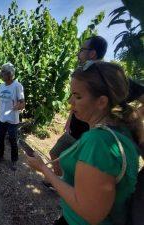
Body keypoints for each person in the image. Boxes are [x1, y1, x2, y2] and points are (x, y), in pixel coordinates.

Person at [27, 62, 143, 225]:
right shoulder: (122, 129)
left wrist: (43, 169)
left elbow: (90, 212)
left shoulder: (99, 141)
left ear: (101, 102)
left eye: (78, 96)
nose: (70, 101)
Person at [48, 36, 144, 178]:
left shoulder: (111, 78)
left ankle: (71, 187)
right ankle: (63, 183)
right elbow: (74, 101)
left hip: (92, 137)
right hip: (75, 132)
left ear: (92, 53)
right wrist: (70, 119)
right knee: (56, 154)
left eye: (82, 50)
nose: (78, 54)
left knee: (82, 170)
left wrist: (129, 117)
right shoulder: (83, 75)